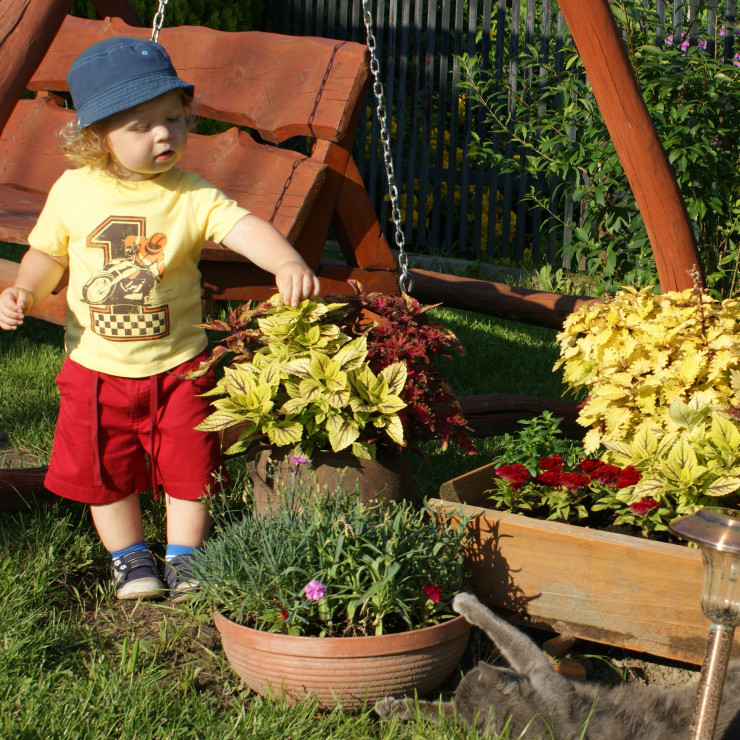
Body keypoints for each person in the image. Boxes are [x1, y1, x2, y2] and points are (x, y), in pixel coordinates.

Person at [0, 37, 321, 602]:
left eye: (174, 118)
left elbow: (243, 226)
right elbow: (48, 254)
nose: (164, 135)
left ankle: (185, 559)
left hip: (180, 366)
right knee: (103, 471)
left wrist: (286, 260)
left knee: (190, 466)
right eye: (142, 125)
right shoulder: (74, 189)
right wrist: (25, 288)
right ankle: (130, 560)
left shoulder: (190, 194)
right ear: (98, 136)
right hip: (96, 367)